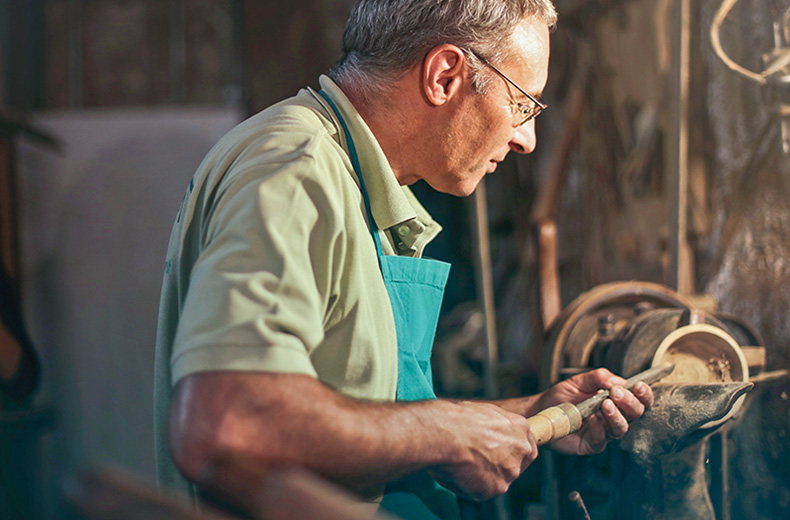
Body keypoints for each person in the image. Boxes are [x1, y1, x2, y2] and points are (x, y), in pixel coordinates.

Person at [153, 1, 653, 518]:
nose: (526, 139)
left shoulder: (349, 177)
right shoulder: (297, 172)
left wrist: (525, 416)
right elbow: (225, 424)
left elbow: (347, 411)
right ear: (444, 75)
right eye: (523, 104)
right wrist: (443, 433)